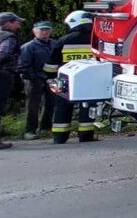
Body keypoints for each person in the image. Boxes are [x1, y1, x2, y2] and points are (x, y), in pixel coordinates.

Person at [50, 10, 98, 143]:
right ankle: (86, 136)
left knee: (62, 108)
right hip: (90, 81)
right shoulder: (97, 39)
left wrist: (51, 77)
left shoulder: (63, 40)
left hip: (65, 81)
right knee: (87, 107)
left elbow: (50, 65)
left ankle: (60, 138)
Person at [16, 21, 56, 140]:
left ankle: (46, 128)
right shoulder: (28, 47)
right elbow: (22, 66)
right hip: (34, 79)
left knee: (51, 103)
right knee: (33, 106)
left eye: (47, 29)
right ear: (34, 31)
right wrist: (33, 77)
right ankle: (30, 131)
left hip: (51, 78)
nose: (45, 32)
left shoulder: (55, 44)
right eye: (41, 30)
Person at [0, 11, 25, 150]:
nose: (18, 24)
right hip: (1, 74)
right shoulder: (9, 37)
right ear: (7, 23)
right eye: (16, 22)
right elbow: (3, 53)